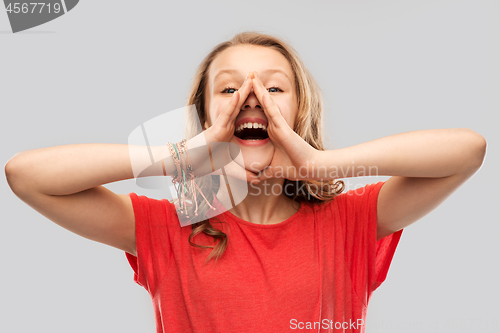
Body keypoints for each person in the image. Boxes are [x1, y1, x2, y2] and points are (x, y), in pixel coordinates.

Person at [5, 31, 487, 333]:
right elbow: (26, 176)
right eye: (229, 88)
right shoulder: (170, 225)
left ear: (301, 113)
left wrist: (328, 165)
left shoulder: (351, 220)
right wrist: (180, 157)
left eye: (274, 88)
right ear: (205, 115)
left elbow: (467, 150)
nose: (250, 99)